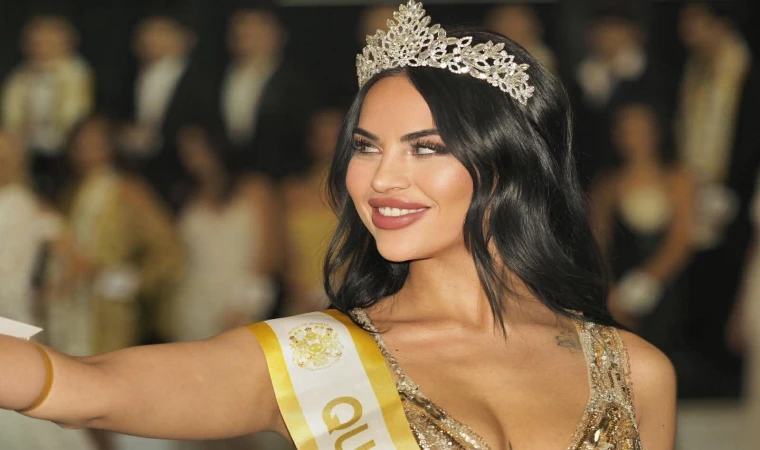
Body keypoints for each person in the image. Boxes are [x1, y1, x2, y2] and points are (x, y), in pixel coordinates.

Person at [0, 2, 675, 449]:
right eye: (365, 147)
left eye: (425, 148)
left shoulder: (634, 370)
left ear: (507, 166)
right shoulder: (317, 358)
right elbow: (84, 388)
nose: (380, 179)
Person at [675, 1, 760, 398]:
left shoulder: (746, 68)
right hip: (695, 190)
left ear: (719, 24)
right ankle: (704, 368)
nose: (686, 30)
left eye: (694, 22)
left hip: (741, 195)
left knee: (734, 278)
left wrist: (733, 189)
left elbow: (748, 137)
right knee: (700, 280)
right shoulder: (694, 68)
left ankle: (729, 375)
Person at [588, 103, 693, 365]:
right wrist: (610, 292)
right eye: (626, 131)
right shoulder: (607, 184)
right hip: (617, 288)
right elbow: (599, 242)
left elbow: (680, 241)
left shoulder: (677, 179)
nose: (634, 139)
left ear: (657, 133)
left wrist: (644, 285)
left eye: (641, 131)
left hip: (667, 288)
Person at [171, 123, 280, 344]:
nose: (194, 158)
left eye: (200, 148)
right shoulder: (185, 196)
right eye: (186, 152)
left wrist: (245, 303)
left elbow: (270, 253)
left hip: (243, 300)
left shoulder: (255, 188)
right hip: (193, 302)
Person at [120, 11, 220, 211]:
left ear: (186, 38)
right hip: (140, 175)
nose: (150, 39)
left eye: (160, 32)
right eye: (146, 32)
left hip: (185, 175)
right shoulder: (128, 78)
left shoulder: (205, 80)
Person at [1, 14, 94, 201]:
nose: (41, 47)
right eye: (36, 42)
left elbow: (78, 116)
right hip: (29, 152)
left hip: (64, 151)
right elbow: (12, 119)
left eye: (49, 41)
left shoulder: (77, 74)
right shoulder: (19, 78)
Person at [221, 5, 314, 180]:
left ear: (278, 34)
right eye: (242, 32)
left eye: (256, 32)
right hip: (228, 175)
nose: (249, 38)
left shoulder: (295, 81)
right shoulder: (219, 77)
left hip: (282, 176)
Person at [282, 108, 342, 315]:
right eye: (322, 136)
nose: (329, 145)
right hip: (299, 298)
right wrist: (300, 291)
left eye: (335, 137)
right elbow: (283, 252)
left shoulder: (359, 192)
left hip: (346, 298)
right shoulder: (291, 191)